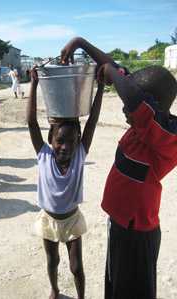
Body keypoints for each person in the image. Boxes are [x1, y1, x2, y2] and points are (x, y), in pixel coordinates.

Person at [61, 37, 177, 299]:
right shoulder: (142, 128)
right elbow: (116, 70)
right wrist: (80, 43)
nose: (126, 109)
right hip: (120, 225)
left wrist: (112, 73)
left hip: (138, 235)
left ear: (153, 108)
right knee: (117, 284)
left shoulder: (166, 138)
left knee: (134, 291)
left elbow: (133, 96)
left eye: (130, 107)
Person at [26, 65, 105, 299]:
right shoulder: (44, 154)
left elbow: (92, 121)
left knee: (76, 266)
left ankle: (81, 296)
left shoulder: (80, 154)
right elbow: (31, 122)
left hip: (71, 220)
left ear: (79, 141)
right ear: (50, 140)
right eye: (60, 141)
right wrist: (34, 83)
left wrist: (99, 88)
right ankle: (55, 289)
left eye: (72, 141)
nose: (65, 147)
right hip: (48, 219)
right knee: (52, 261)